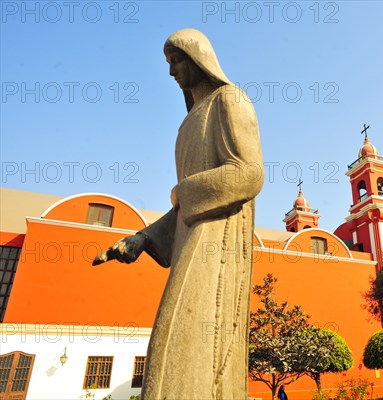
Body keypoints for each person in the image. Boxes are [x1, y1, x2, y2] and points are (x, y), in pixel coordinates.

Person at [93, 29, 264, 399]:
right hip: (191, 235)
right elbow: (182, 209)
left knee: (182, 336)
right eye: (168, 63)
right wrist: (144, 238)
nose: (171, 72)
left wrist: (183, 191)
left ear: (199, 58)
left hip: (217, 242)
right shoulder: (187, 124)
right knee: (173, 343)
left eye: (177, 60)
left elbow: (249, 173)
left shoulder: (229, 100)